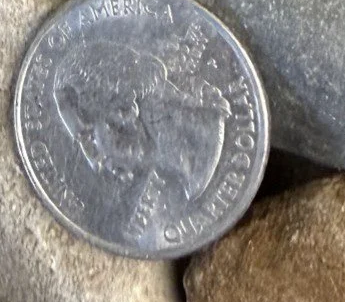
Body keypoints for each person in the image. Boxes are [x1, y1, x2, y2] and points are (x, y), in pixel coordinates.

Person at [52, 40, 229, 200]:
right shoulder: (193, 165)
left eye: (88, 137)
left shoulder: (205, 138)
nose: (94, 162)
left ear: (123, 112)